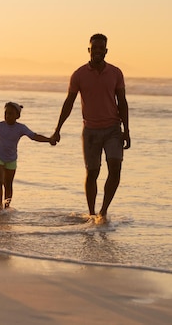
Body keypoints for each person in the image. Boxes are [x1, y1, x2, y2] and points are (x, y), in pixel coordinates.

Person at [52, 33, 130, 218]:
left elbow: (123, 102)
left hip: (113, 129)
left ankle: (103, 211)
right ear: (89, 50)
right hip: (90, 131)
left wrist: (126, 130)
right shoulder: (79, 75)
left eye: (101, 48)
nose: (97, 51)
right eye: (94, 48)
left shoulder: (115, 73)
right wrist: (57, 129)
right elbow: (69, 103)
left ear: (106, 51)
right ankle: (91, 213)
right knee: (92, 172)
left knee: (115, 168)